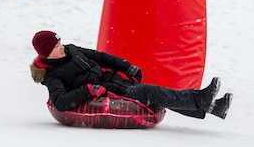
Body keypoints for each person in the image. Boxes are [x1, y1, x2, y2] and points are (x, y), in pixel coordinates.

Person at [29, 30, 232, 120]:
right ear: (47, 53)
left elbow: (100, 57)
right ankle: (199, 98)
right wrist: (88, 89)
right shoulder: (53, 76)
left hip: (114, 80)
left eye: (60, 41)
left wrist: (126, 67)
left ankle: (212, 107)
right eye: (56, 46)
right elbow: (61, 102)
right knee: (149, 92)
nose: (62, 46)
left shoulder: (72, 50)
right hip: (106, 94)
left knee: (154, 96)